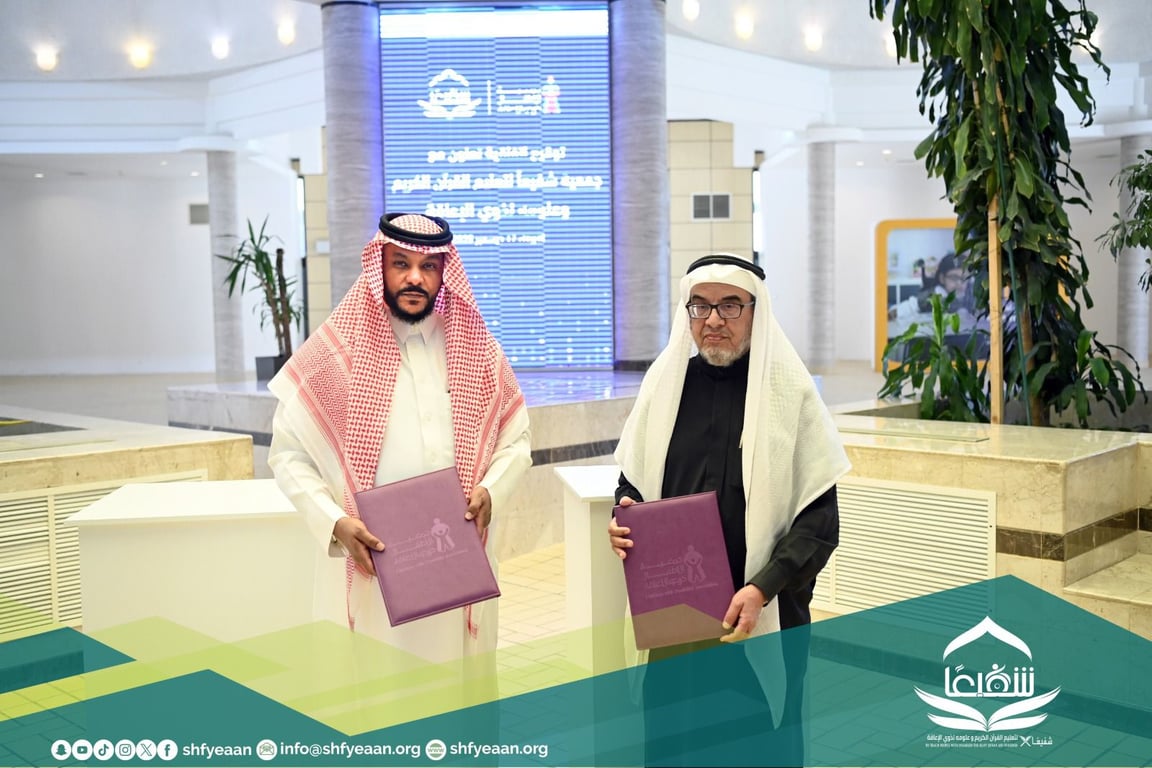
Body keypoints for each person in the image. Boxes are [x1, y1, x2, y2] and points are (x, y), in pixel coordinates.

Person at [608, 253, 850, 765]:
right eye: (700, 306)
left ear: (756, 312)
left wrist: (762, 587)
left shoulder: (790, 393)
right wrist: (623, 517)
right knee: (674, 743)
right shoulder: (664, 386)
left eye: (730, 305)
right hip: (675, 619)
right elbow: (633, 482)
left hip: (759, 616)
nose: (713, 319)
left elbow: (820, 521)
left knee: (758, 746)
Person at [267, 212, 532, 665]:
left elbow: (516, 438)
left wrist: (492, 489)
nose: (415, 277)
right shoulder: (336, 353)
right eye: (400, 264)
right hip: (373, 569)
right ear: (379, 266)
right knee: (379, 688)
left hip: (457, 563)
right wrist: (335, 523)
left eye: (428, 266)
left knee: (457, 691)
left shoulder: (478, 350)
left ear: (444, 272)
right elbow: (289, 455)